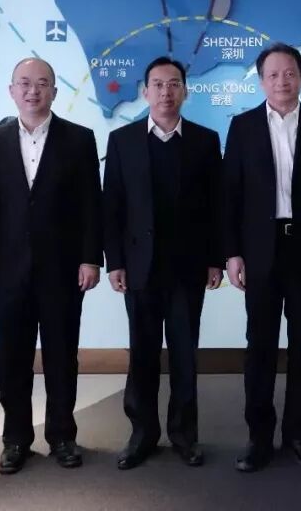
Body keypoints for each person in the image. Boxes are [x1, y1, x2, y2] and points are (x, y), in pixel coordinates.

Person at [224, 43, 301, 472]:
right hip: (259, 250)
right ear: (261, 81)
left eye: (290, 73)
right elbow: (230, 195)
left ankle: (298, 435)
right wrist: (232, 252)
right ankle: (258, 437)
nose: (282, 81)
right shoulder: (242, 127)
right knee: (259, 345)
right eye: (273, 74)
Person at [0, 57, 104, 475]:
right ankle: (15, 439)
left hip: (62, 269)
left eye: (42, 83)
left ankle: (63, 436)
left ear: (54, 91)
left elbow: (91, 203)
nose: (33, 91)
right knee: (12, 358)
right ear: (12, 90)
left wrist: (90, 257)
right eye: (25, 83)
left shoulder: (79, 139)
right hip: (8, 269)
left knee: (61, 356)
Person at [103, 57, 224, 470]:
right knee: (142, 354)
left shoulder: (205, 141)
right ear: (144, 92)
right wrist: (115, 262)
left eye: (174, 84)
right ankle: (142, 435)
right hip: (140, 267)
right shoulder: (122, 140)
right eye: (157, 84)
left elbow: (216, 207)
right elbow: (112, 205)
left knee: (185, 355)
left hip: (188, 267)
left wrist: (215, 260)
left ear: (185, 91)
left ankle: (184, 436)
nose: (166, 92)